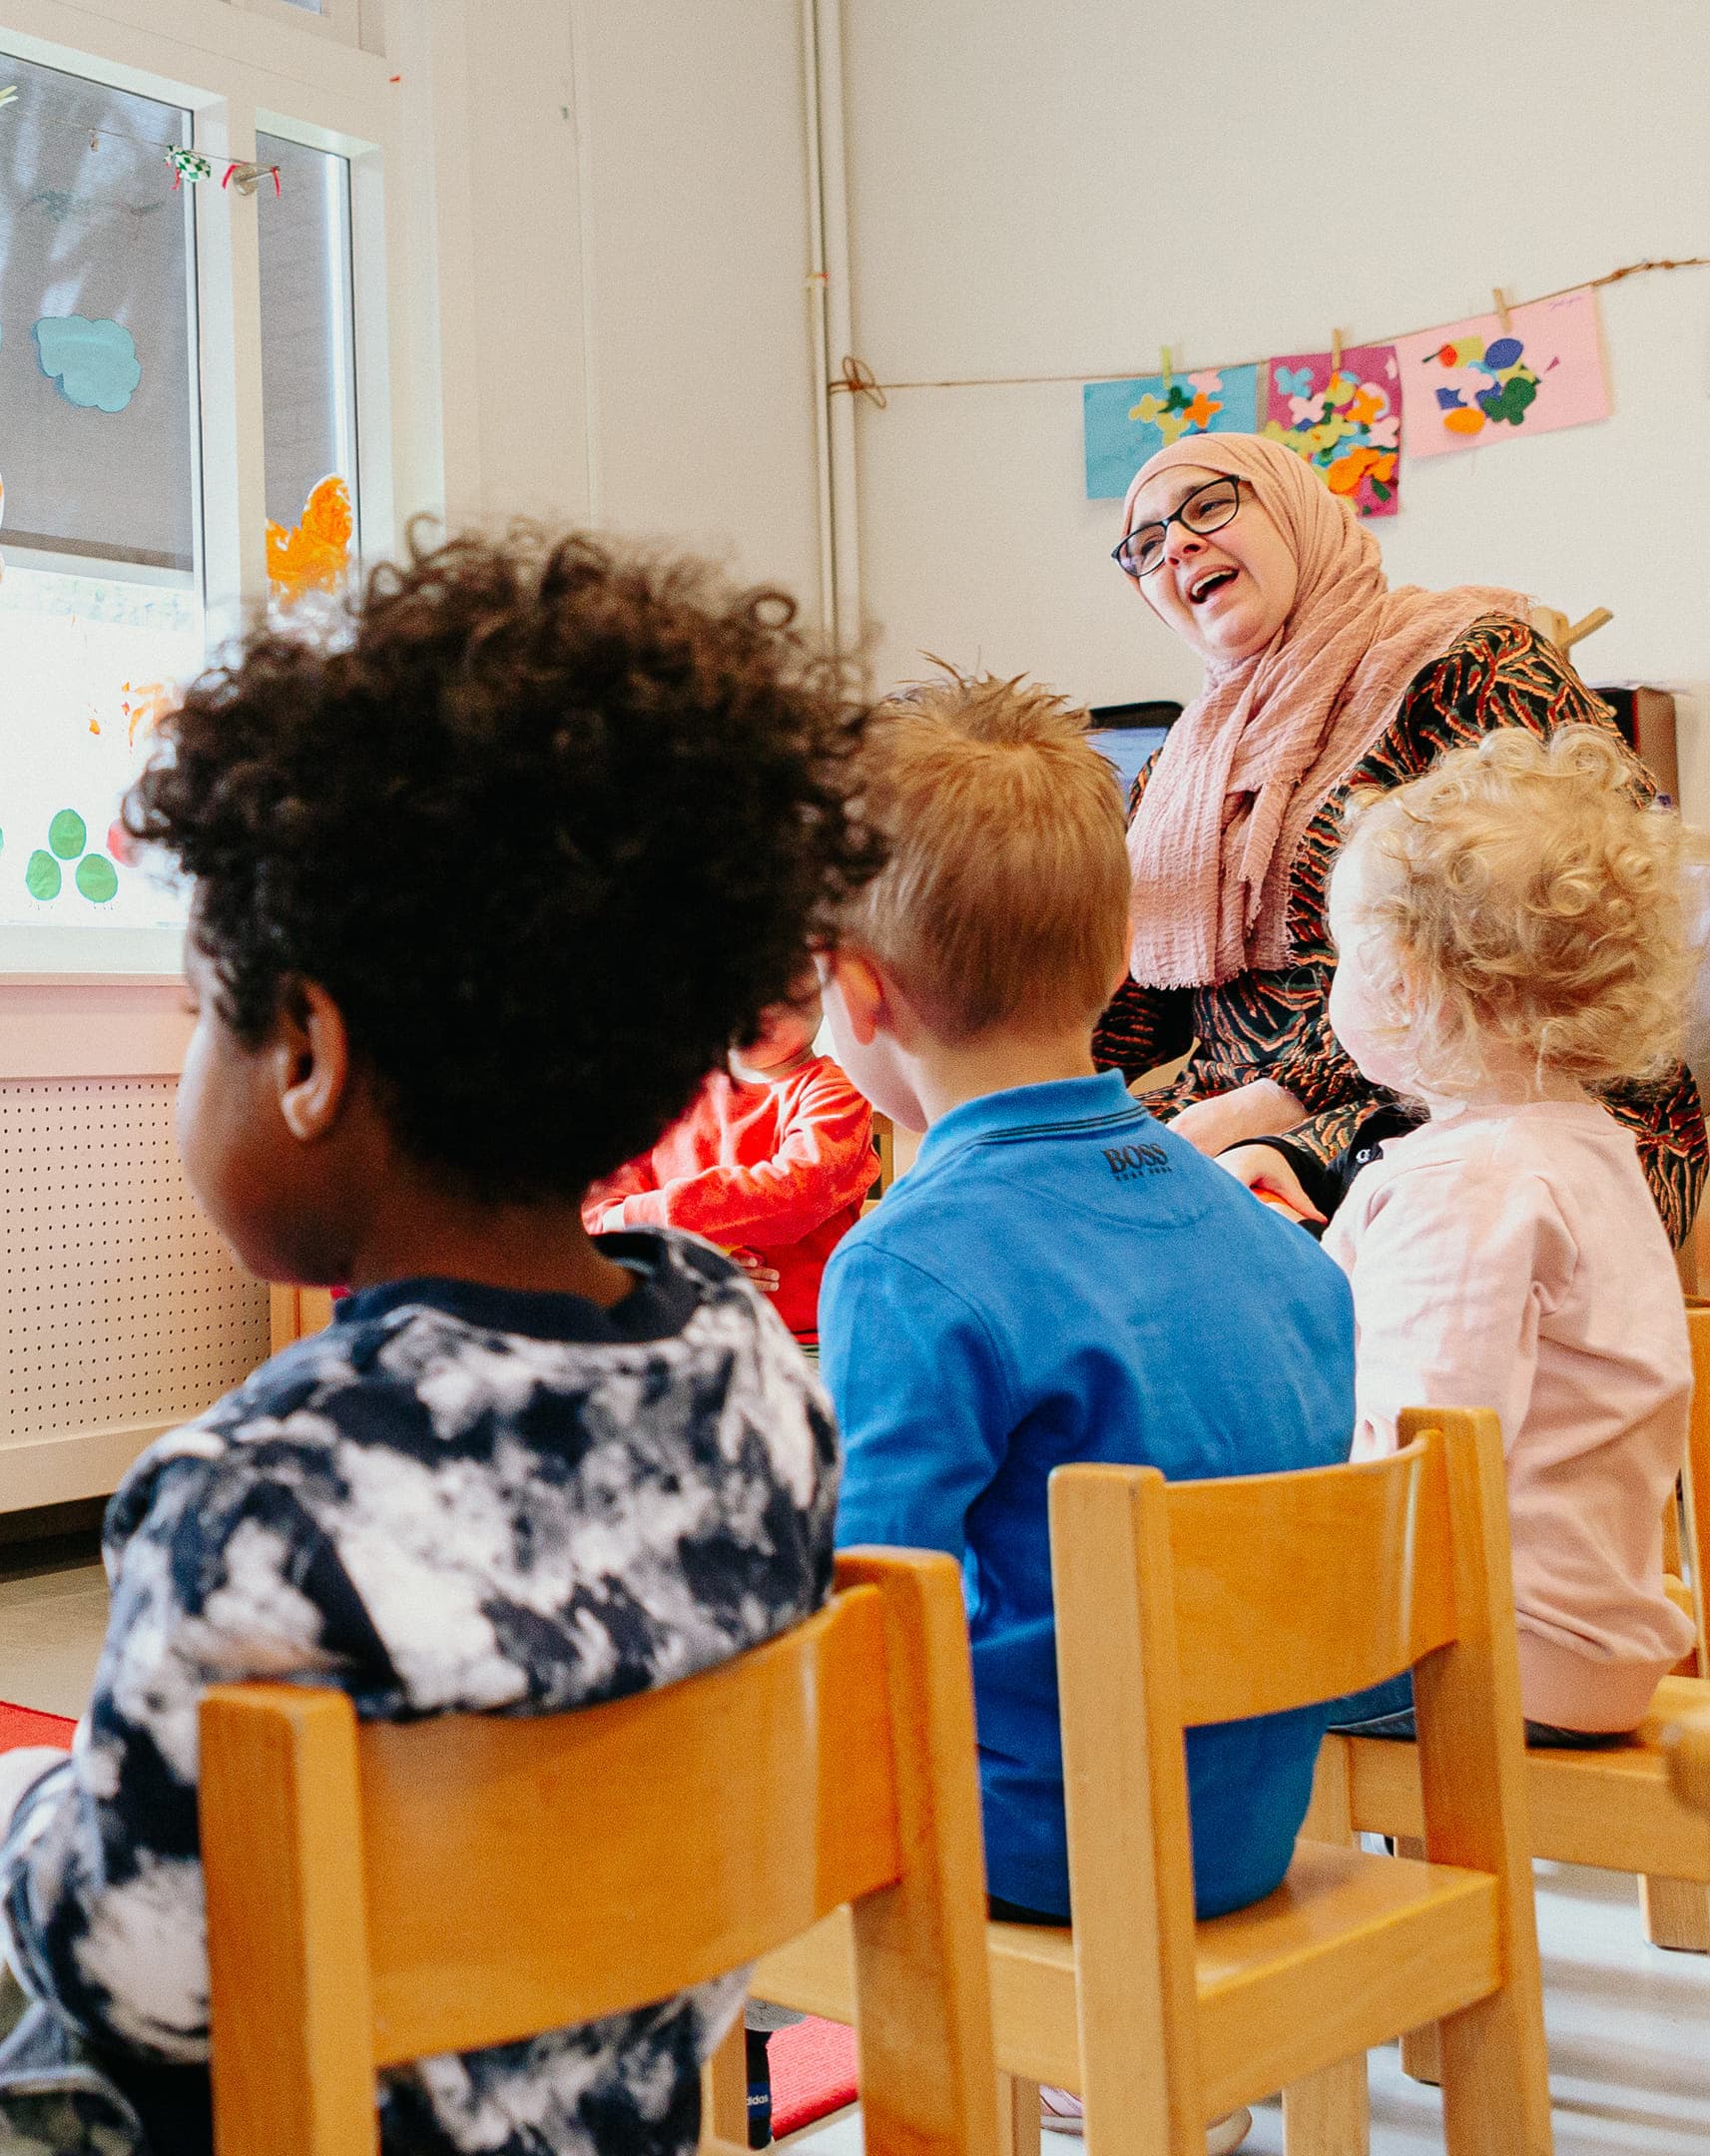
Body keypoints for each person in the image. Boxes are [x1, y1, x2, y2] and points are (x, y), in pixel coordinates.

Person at [0, 528, 884, 2156]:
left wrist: (30, 1820)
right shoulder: (758, 1382)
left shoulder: (253, 1503)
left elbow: (136, 1984)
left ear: (309, 1054)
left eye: (202, 1017)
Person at [817, 671, 1355, 2152]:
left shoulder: (908, 1263)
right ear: (1121, 958)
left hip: (1049, 1850)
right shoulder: (1270, 1233)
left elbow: (866, 1618)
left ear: (854, 992)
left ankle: (1043, 2041)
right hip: (1249, 1824)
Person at [1094, 432, 1705, 1243]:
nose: (1175, 545)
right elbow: (1140, 1015)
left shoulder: (1472, 662)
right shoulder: (1177, 769)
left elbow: (1561, 945)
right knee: (1046, 1199)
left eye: (1208, 505)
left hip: (1497, 1096)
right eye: (1144, 545)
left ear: (1297, 513)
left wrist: (1279, 1100)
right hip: (1235, 1113)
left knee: (1216, 1226)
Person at [1294, 727, 1697, 1742]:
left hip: (1484, 1650)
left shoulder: (1461, 1182)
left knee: (1147, 1651)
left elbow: (1415, 1461)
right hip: (1587, 1653)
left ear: (1406, 982)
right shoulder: (1588, 1149)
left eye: (1342, 960)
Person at [582, 972, 874, 1348]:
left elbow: (797, 1193)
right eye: (741, 989)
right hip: (685, 1331)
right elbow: (598, 1219)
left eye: (782, 991)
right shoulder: (673, 1096)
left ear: (821, 995)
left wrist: (657, 1221)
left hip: (807, 1340)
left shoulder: (835, 1093)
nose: (759, 1009)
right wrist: (696, 1264)